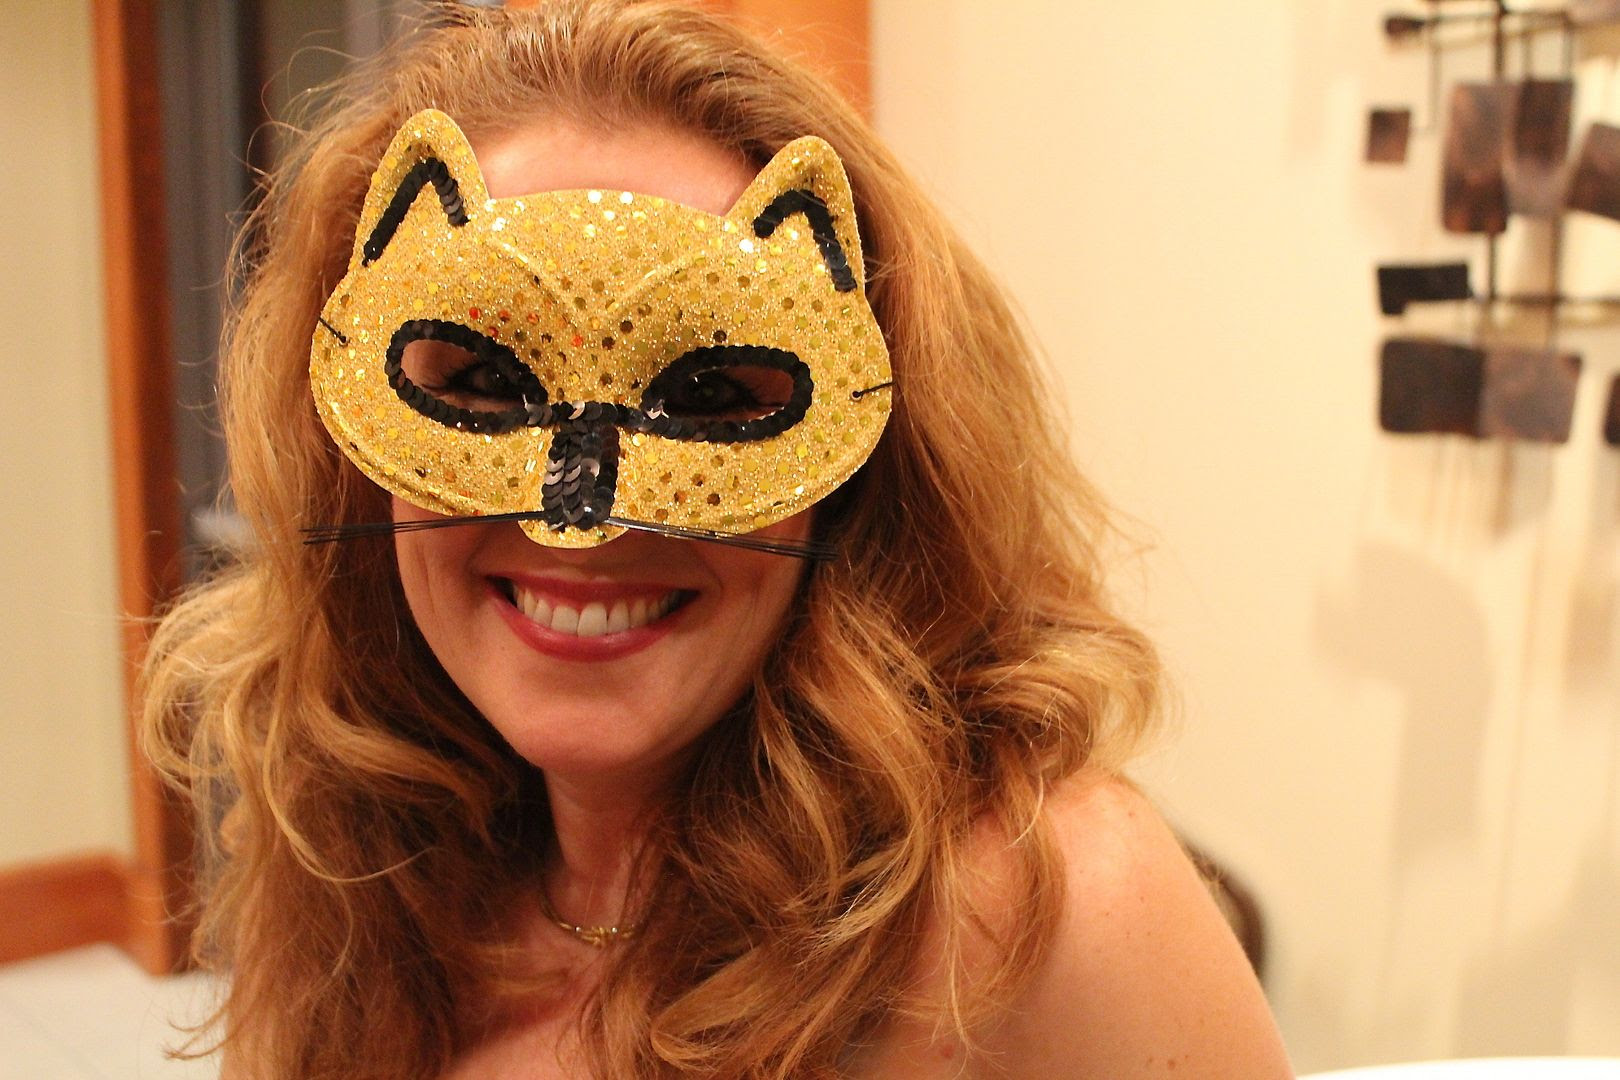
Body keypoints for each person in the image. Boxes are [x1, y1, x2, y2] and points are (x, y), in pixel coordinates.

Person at [142, 2, 1295, 1077]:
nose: (580, 516)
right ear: (348, 440)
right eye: (484, 380)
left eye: (707, 395)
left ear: (866, 461)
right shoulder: (358, 889)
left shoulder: (1051, 908)